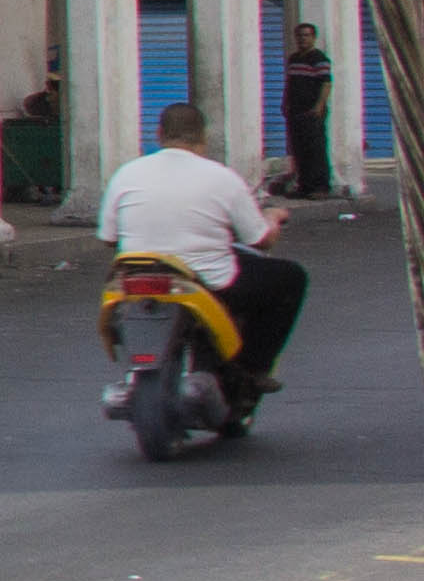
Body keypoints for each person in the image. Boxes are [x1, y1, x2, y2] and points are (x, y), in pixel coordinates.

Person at [98, 99, 303, 406]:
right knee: (290, 278)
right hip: (206, 280)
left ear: (159, 134)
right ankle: (252, 367)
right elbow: (260, 241)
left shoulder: (126, 174)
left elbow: (108, 238)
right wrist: (273, 218)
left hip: (134, 277)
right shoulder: (222, 177)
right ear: (203, 138)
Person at [282, 21, 339, 201]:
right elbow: (289, 83)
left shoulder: (319, 59)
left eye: (306, 35)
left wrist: (319, 106)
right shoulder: (294, 59)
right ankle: (304, 186)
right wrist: (285, 102)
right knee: (300, 149)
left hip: (312, 111)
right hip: (295, 110)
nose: (302, 39)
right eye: (299, 36)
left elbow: (326, 83)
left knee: (316, 150)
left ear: (313, 38)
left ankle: (321, 186)